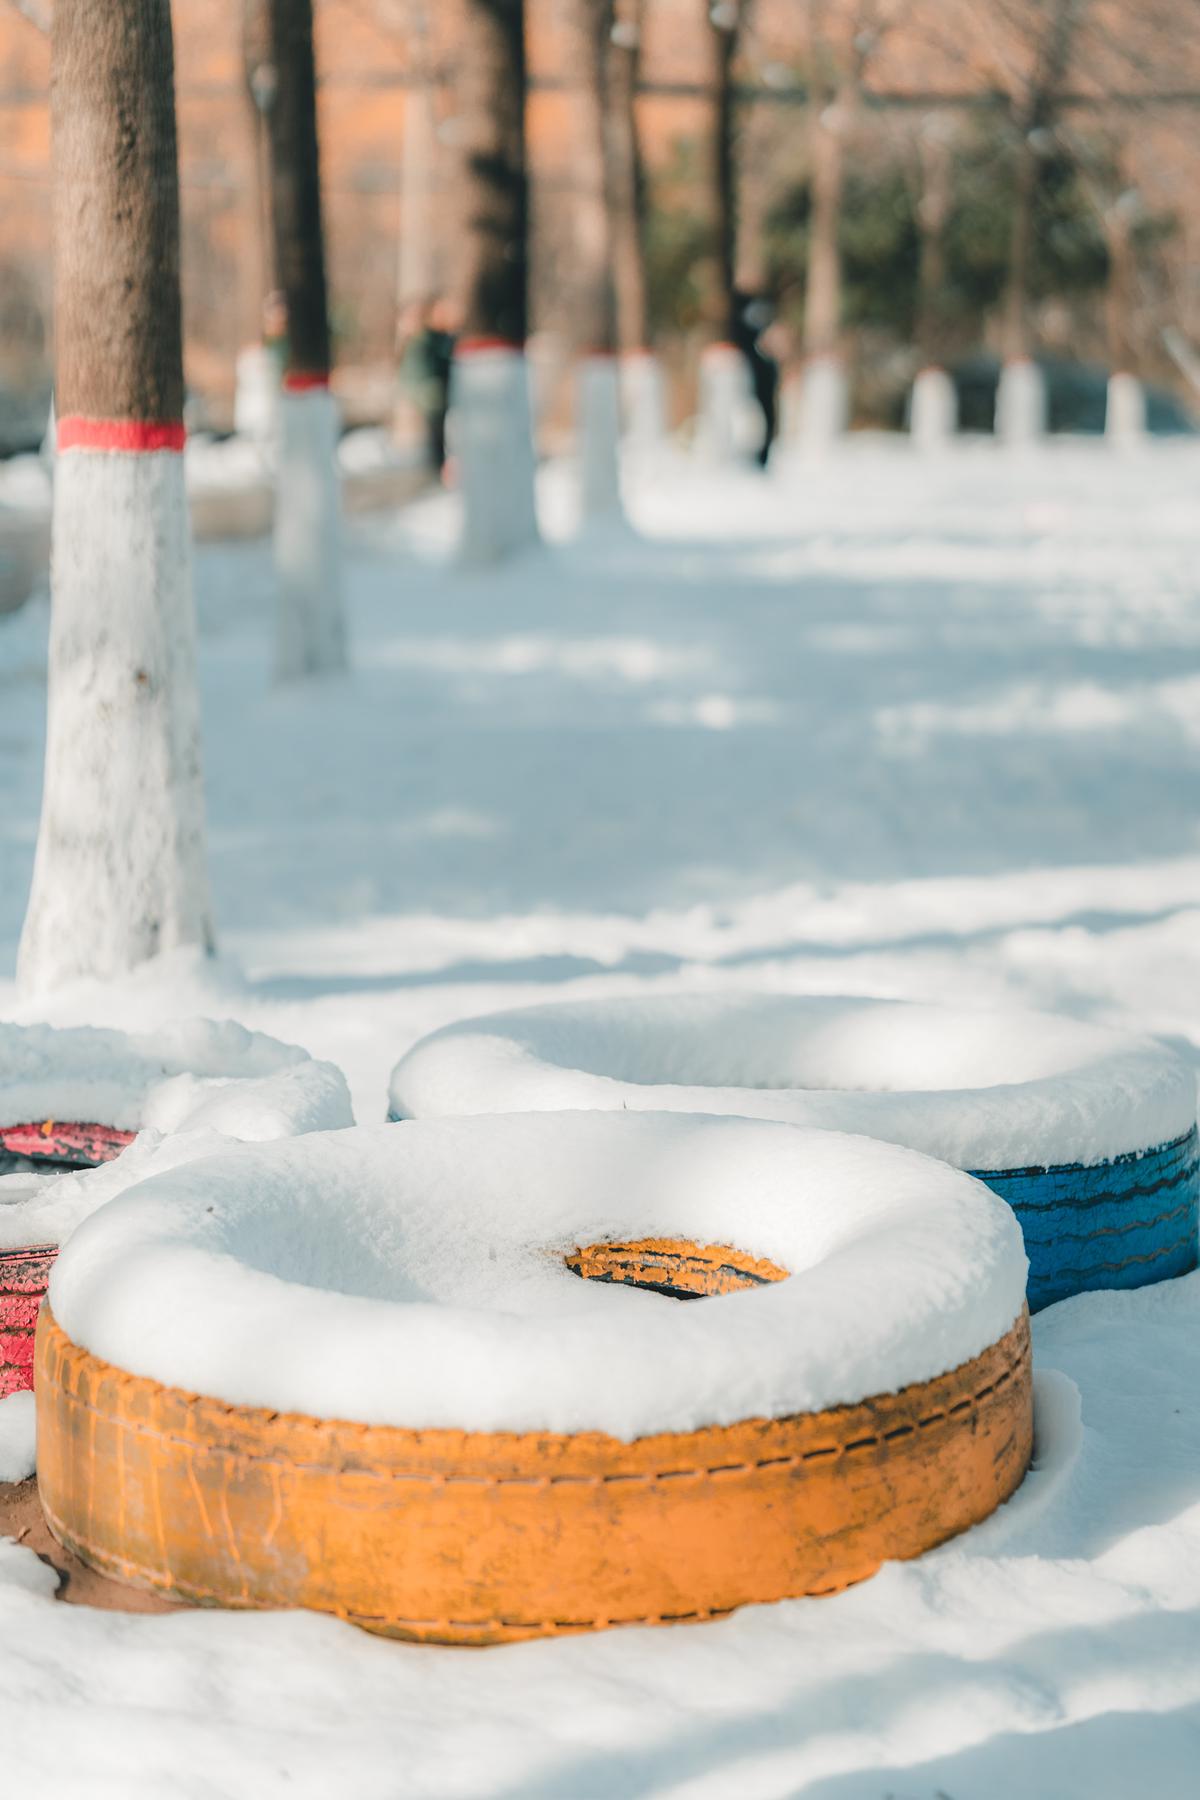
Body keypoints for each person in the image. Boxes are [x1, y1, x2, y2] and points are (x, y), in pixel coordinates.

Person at [397, 296, 457, 477]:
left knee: (442, 437)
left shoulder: (432, 340)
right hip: (434, 397)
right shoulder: (425, 342)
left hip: (435, 396)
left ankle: (443, 469)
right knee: (440, 438)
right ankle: (442, 471)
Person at [732, 292, 780, 469]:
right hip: (748, 375)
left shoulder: (770, 300)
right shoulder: (737, 306)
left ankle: (762, 455)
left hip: (765, 376)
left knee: (766, 413)